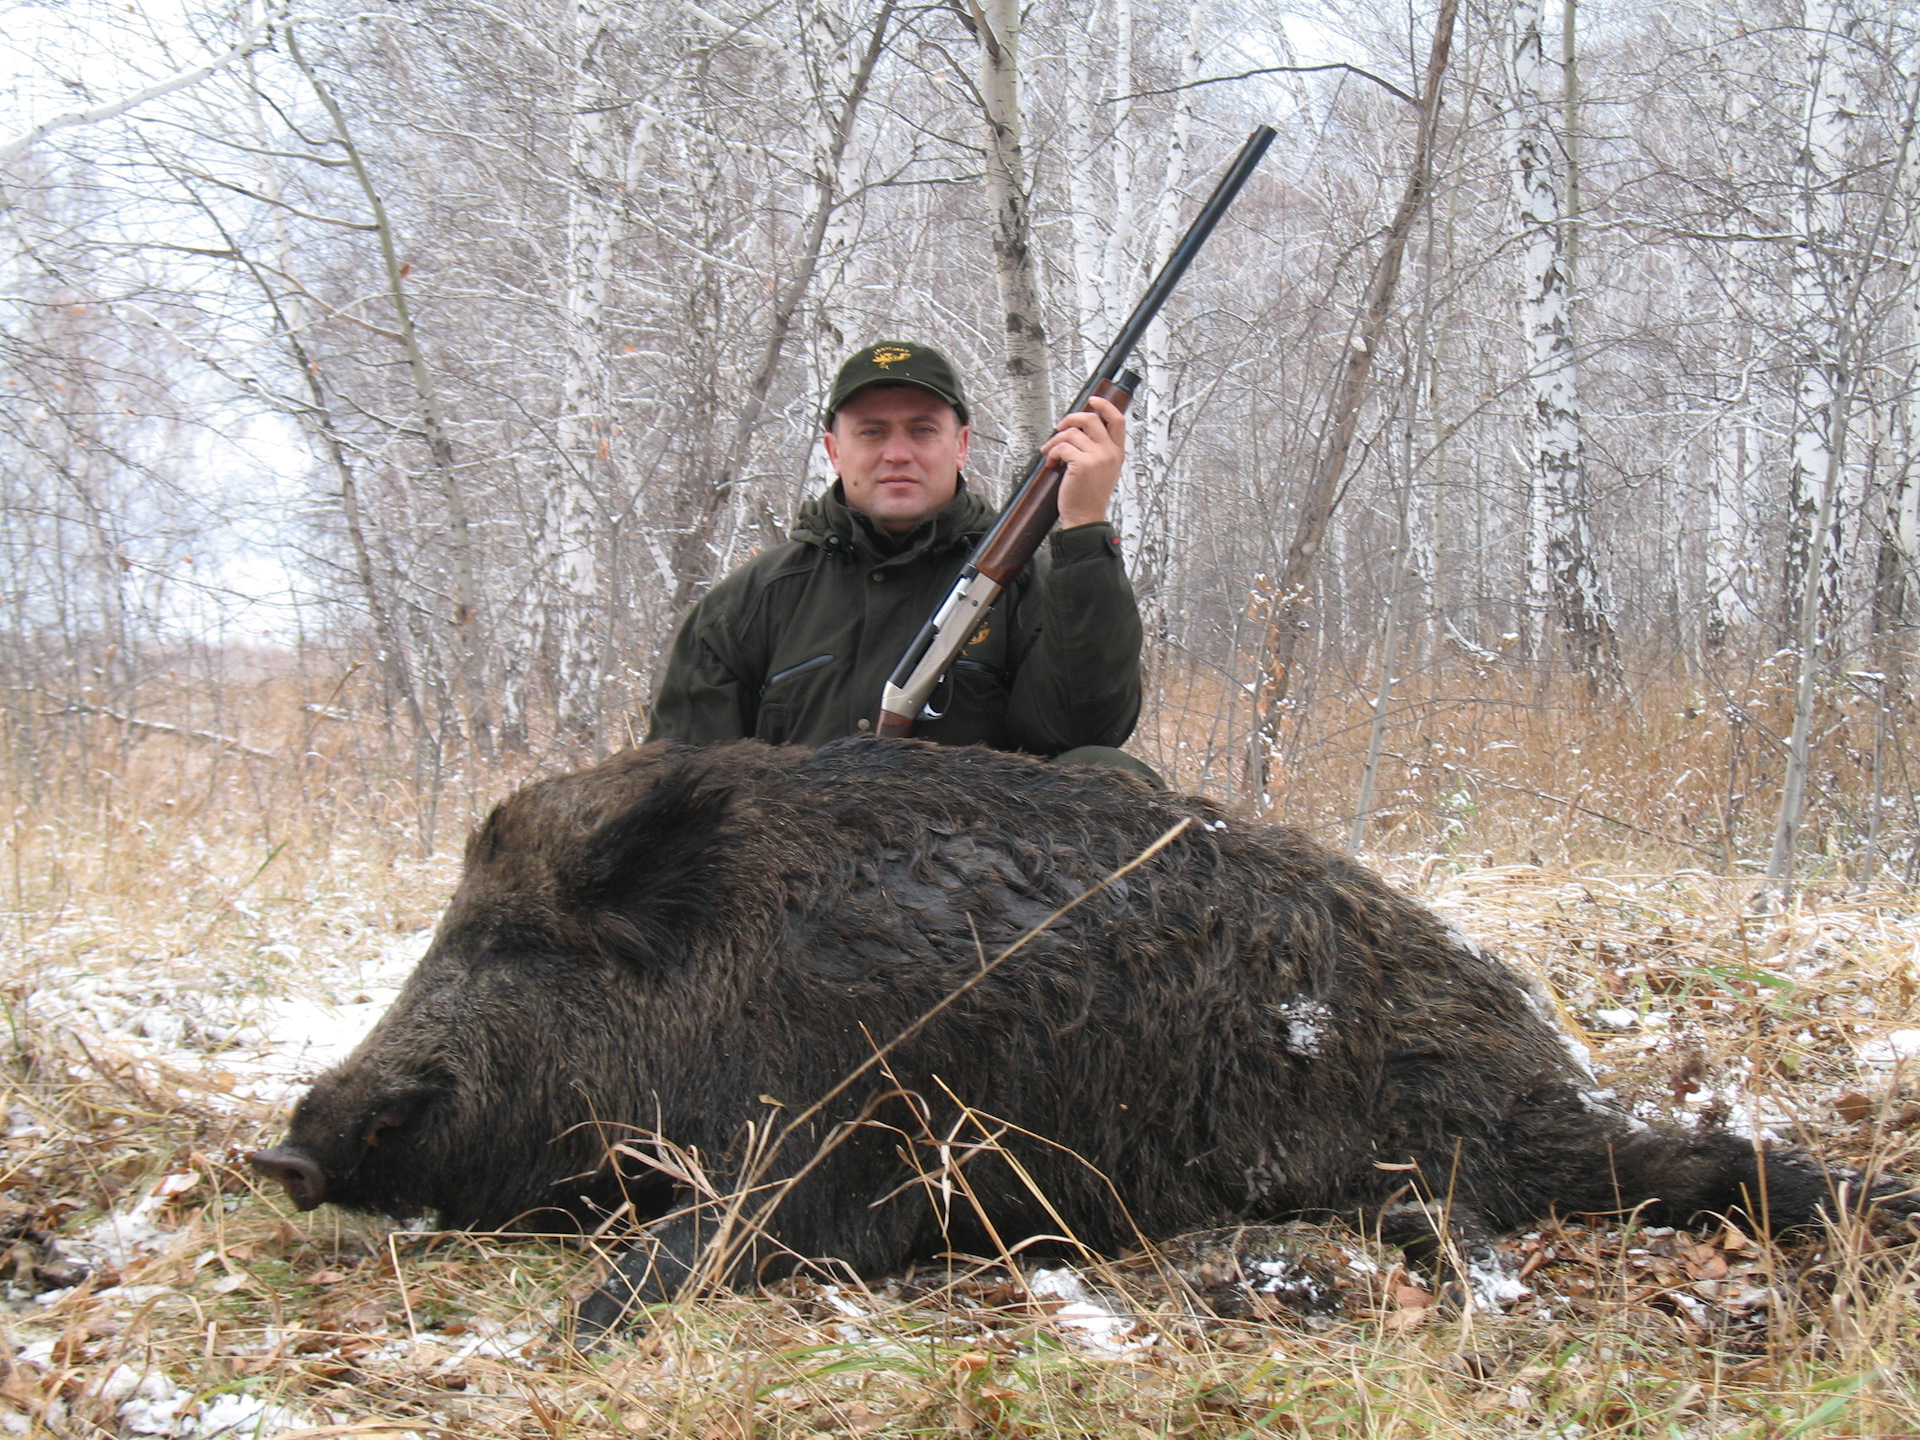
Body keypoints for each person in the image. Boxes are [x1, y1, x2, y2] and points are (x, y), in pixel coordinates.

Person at [645, 340, 1155, 781]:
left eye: (922, 430)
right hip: (803, 883)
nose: (897, 453)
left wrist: (1084, 526)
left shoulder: (1029, 584)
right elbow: (680, 780)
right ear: (834, 450)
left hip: (987, 878)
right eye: (871, 432)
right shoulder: (748, 603)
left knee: (1111, 773)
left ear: (961, 446)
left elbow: (1086, 730)